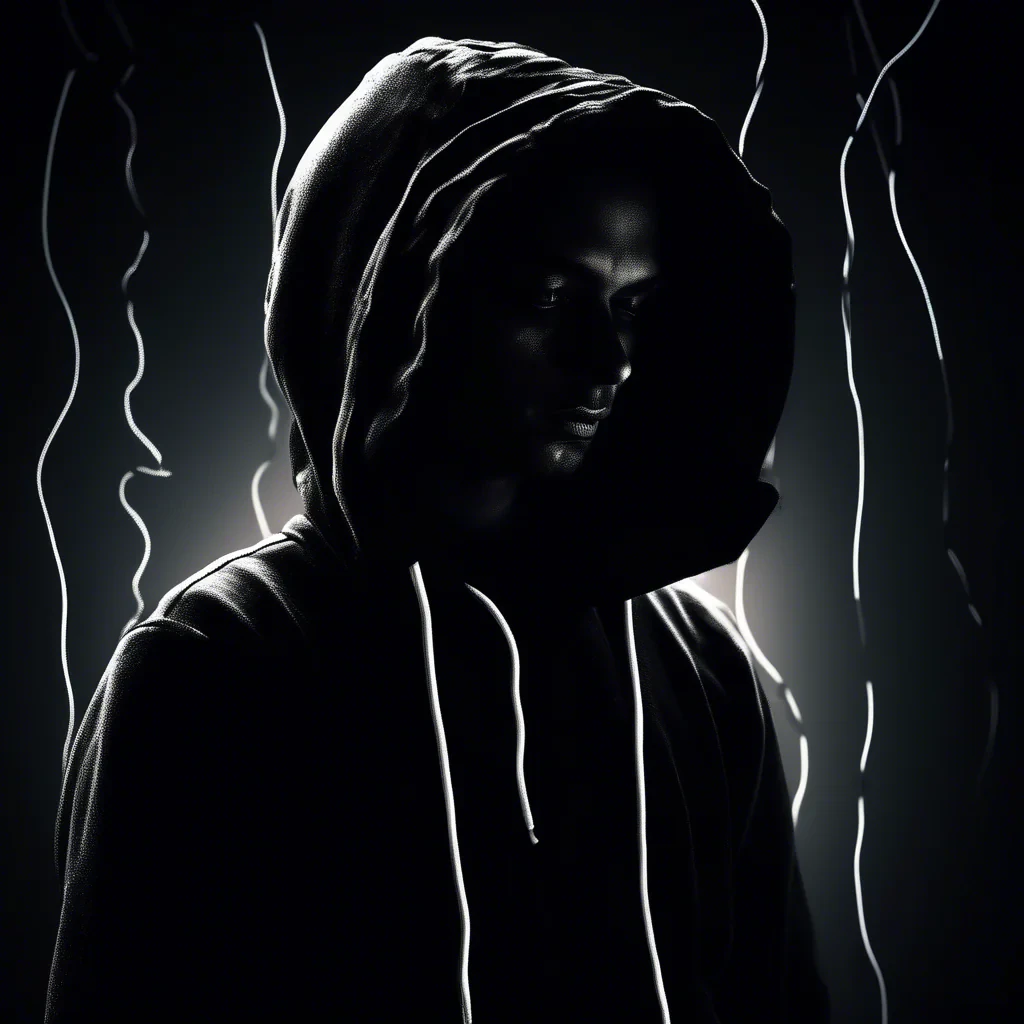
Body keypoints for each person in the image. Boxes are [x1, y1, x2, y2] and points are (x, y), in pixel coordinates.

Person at [45, 37, 830, 1022]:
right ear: (389, 299)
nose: (609, 359)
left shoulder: (700, 669)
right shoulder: (213, 666)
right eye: (547, 296)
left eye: (635, 305)